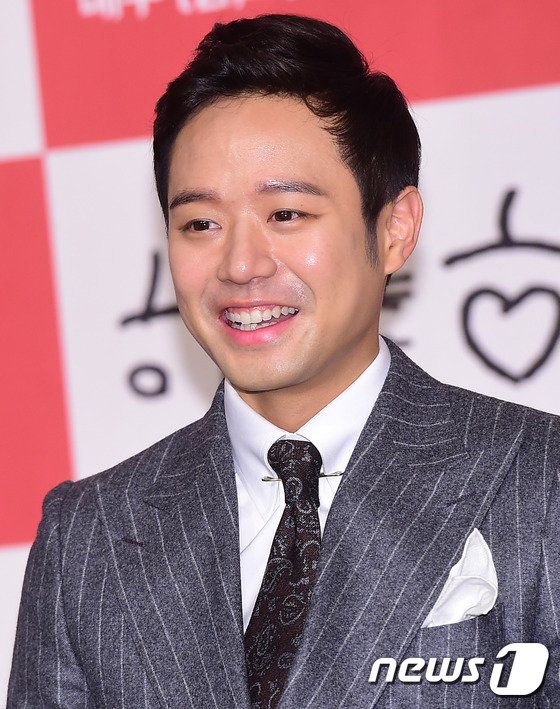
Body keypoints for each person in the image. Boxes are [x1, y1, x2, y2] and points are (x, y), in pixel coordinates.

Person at [8, 14, 560, 709]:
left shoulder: (539, 480)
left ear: (395, 228)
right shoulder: (88, 537)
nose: (241, 265)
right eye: (201, 224)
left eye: (287, 215)